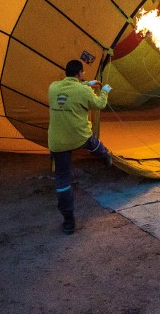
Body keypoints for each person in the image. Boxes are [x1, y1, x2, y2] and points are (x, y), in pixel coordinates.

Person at [48, 59, 112, 235]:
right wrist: (105, 91)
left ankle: (69, 220)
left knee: (62, 180)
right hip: (78, 136)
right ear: (80, 73)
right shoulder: (83, 90)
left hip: (57, 141)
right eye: (82, 74)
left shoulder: (52, 87)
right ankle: (105, 156)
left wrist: (87, 84)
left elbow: (71, 92)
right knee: (92, 143)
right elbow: (100, 104)